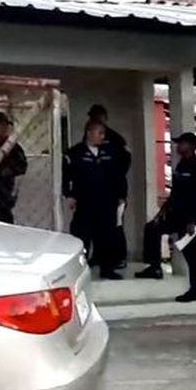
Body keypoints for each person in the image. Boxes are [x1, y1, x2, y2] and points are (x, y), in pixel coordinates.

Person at [134, 132, 196, 302]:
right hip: (177, 215)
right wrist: (162, 212)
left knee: (194, 255)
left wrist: (192, 221)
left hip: (194, 219)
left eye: (181, 143)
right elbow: (176, 194)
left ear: (191, 146)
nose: (177, 147)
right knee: (152, 228)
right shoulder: (180, 166)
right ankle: (154, 267)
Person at [64, 121, 127, 280]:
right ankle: (79, 270)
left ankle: (107, 269)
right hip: (85, 201)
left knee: (107, 236)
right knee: (82, 236)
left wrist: (121, 196)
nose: (102, 137)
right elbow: (68, 176)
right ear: (89, 133)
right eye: (99, 133)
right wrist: (69, 195)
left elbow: (119, 176)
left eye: (103, 133)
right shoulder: (75, 153)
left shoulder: (109, 152)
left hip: (107, 201)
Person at [87, 104, 132, 268]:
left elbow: (125, 163)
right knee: (96, 225)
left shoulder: (115, 139)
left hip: (115, 190)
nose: (94, 120)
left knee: (116, 224)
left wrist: (114, 182)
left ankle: (120, 257)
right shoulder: (88, 138)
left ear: (104, 118)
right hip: (95, 191)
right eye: (92, 117)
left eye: (97, 117)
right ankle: (99, 256)